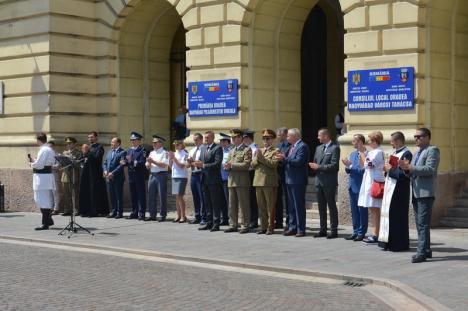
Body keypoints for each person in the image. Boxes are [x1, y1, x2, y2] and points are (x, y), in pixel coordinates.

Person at [399, 128, 440, 263]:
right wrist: (406, 170)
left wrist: (410, 167)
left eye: (419, 136)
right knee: (420, 224)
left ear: (427, 137)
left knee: (422, 224)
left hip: (425, 193)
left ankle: (421, 253)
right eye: (415, 136)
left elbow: (430, 169)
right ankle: (427, 250)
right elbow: (412, 172)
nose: (416, 139)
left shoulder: (432, 150)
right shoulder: (417, 153)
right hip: (416, 192)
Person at [378, 131, 412, 251]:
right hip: (390, 189)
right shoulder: (394, 153)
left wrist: (389, 170)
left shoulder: (406, 154)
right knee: (389, 216)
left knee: (398, 217)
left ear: (398, 141)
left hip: (399, 191)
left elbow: (403, 174)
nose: (391, 143)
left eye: (392, 141)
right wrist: (386, 170)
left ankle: (398, 244)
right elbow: (391, 170)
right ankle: (388, 242)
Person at [277, 128, 310, 237]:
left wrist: (284, 159)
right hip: (289, 179)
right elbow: (288, 162)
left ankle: (300, 229)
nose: (287, 138)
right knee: (291, 206)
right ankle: (292, 227)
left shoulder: (302, 146)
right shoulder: (293, 146)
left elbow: (299, 161)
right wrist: (281, 160)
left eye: (288, 136)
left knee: (298, 205)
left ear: (295, 136)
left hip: (298, 180)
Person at [309, 128, 340, 239]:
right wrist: (313, 166)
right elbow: (316, 162)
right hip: (319, 182)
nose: (318, 138)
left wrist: (319, 167)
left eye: (319, 135)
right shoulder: (318, 148)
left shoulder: (334, 148)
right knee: (321, 207)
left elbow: (334, 165)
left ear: (326, 136)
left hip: (329, 182)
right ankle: (322, 229)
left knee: (331, 206)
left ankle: (333, 230)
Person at [193, 131, 224, 232]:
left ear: (213, 138)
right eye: (205, 137)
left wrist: (203, 165)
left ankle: (216, 223)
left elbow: (217, 163)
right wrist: (197, 163)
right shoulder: (203, 149)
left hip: (214, 180)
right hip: (204, 179)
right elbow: (202, 162)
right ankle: (209, 222)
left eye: (207, 137)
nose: (206, 139)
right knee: (207, 203)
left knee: (215, 203)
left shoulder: (217, 148)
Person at [358, 131, 385, 244]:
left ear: (374, 141)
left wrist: (363, 155)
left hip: (374, 182)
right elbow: (364, 165)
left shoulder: (378, 152)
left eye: (369, 140)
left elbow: (368, 165)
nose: (368, 142)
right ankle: (375, 232)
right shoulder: (373, 152)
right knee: (372, 208)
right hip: (369, 180)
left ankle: (376, 234)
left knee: (375, 208)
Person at [223, 129, 252, 234]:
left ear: (240, 138)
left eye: (235, 138)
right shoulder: (232, 150)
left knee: (243, 205)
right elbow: (227, 162)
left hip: (242, 181)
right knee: (232, 205)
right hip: (232, 180)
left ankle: (245, 225)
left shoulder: (247, 149)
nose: (233, 139)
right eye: (232, 138)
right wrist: (226, 166)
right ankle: (233, 224)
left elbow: (246, 165)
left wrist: (232, 165)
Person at [251, 129, 279, 235]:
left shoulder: (276, 151)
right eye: (264, 139)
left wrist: (261, 158)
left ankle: (270, 227)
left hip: (269, 182)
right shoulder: (259, 150)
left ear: (272, 140)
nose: (265, 141)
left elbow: (273, 164)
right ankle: (263, 227)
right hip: (258, 181)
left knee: (270, 206)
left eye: (268, 139)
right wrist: (258, 158)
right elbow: (252, 164)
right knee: (261, 205)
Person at [342, 134, 368, 241]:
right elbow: (349, 170)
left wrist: (351, 166)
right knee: (354, 211)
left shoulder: (366, 154)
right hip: (352, 186)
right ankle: (355, 231)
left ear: (360, 142)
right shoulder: (352, 154)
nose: (352, 143)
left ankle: (362, 232)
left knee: (362, 210)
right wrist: (347, 166)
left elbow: (363, 170)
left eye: (354, 141)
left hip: (361, 185)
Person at [29, 132, 56, 230]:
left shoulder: (44, 150)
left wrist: (31, 163)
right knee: (44, 199)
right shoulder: (49, 149)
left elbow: (40, 165)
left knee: (42, 200)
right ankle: (48, 220)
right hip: (46, 177)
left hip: (42, 178)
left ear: (38, 140)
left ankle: (45, 223)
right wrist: (36, 162)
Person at [79, 131, 109, 217]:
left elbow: (97, 159)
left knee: (94, 192)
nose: (90, 139)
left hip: (95, 174)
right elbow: (82, 159)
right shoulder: (89, 147)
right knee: (87, 191)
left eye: (91, 137)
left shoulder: (99, 147)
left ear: (96, 137)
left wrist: (88, 152)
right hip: (86, 173)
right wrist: (83, 154)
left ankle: (95, 211)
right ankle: (86, 210)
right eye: (89, 137)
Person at [121, 132, 147, 220]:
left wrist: (132, 161)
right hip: (131, 175)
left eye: (134, 140)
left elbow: (142, 163)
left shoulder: (142, 150)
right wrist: (124, 162)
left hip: (139, 175)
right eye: (131, 140)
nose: (132, 142)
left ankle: (141, 213)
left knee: (140, 194)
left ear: (139, 141)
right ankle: (134, 212)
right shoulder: (129, 150)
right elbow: (127, 161)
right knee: (133, 194)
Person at [145, 134, 168, 221]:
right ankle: (152, 214)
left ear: (161, 143)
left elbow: (163, 165)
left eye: (155, 142)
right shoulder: (152, 152)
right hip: (152, 174)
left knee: (162, 195)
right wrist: (148, 164)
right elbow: (148, 165)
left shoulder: (165, 153)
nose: (153, 144)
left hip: (161, 174)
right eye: (153, 142)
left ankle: (162, 215)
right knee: (151, 195)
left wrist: (152, 161)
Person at [103, 137, 127, 219]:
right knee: (112, 195)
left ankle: (119, 213)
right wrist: (105, 171)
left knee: (118, 196)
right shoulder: (109, 152)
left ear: (118, 143)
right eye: (111, 142)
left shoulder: (123, 152)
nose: (111, 143)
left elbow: (121, 165)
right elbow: (105, 163)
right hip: (109, 177)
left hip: (118, 178)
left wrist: (112, 173)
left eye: (113, 142)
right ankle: (113, 211)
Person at [187, 133, 205, 224]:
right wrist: (189, 162)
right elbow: (188, 165)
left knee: (202, 196)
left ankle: (203, 217)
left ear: (201, 140)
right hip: (193, 174)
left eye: (197, 139)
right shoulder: (192, 150)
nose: (195, 142)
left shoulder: (204, 149)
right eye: (194, 140)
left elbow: (203, 162)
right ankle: (197, 215)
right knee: (195, 196)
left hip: (200, 174)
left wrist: (195, 162)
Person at [168, 140, 189, 223]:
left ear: (181, 145)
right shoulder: (174, 153)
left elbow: (181, 166)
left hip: (182, 176)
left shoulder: (185, 154)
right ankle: (178, 215)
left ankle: (183, 216)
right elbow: (170, 166)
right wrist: (170, 158)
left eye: (177, 145)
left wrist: (174, 158)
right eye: (174, 145)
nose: (176, 146)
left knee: (180, 195)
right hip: (174, 176)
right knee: (177, 197)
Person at [61, 137, 82, 216]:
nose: (68, 145)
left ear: (75, 144)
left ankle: (76, 209)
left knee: (75, 193)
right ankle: (67, 209)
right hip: (65, 175)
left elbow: (79, 164)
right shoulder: (64, 152)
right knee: (66, 194)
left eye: (70, 143)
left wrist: (72, 159)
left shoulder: (78, 153)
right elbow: (62, 164)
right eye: (67, 144)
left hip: (74, 175)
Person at [275, 127, 290, 230]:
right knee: (278, 200)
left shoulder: (290, 146)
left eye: (279, 135)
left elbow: (288, 160)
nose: (277, 137)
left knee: (289, 201)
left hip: (287, 176)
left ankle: (289, 222)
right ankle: (278, 221)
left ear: (284, 134)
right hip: (278, 176)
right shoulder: (279, 145)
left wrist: (282, 159)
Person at [242, 130, 259, 229]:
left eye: (244, 138)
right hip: (246, 173)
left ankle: (254, 221)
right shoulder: (247, 148)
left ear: (248, 138)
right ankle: (249, 219)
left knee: (252, 198)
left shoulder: (254, 148)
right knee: (248, 198)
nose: (243, 140)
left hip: (252, 173)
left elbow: (253, 163)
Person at [219, 133, 232, 226]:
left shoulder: (231, 151)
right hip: (219, 178)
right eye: (221, 141)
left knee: (229, 200)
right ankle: (224, 218)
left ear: (228, 142)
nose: (222, 143)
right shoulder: (220, 151)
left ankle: (231, 219)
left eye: (223, 141)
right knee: (221, 200)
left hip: (228, 178)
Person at [47, 141, 61, 216]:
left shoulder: (57, 154)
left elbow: (58, 165)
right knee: (49, 192)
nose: (50, 148)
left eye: (51, 146)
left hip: (54, 174)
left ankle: (56, 208)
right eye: (48, 147)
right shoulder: (46, 155)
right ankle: (51, 207)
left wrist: (50, 166)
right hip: (47, 175)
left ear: (53, 147)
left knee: (55, 192)